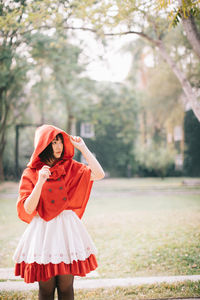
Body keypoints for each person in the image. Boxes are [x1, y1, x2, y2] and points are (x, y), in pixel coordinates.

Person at [13, 124, 105, 300]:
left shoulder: (71, 167)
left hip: (66, 231)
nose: (58, 146)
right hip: (43, 232)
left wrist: (83, 147)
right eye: (53, 142)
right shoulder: (31, 173)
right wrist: (40, 181)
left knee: (66, 287)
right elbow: (28, 208)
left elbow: (99, 174)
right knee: (46, 289)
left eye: (60, 141)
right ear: (43, 145)